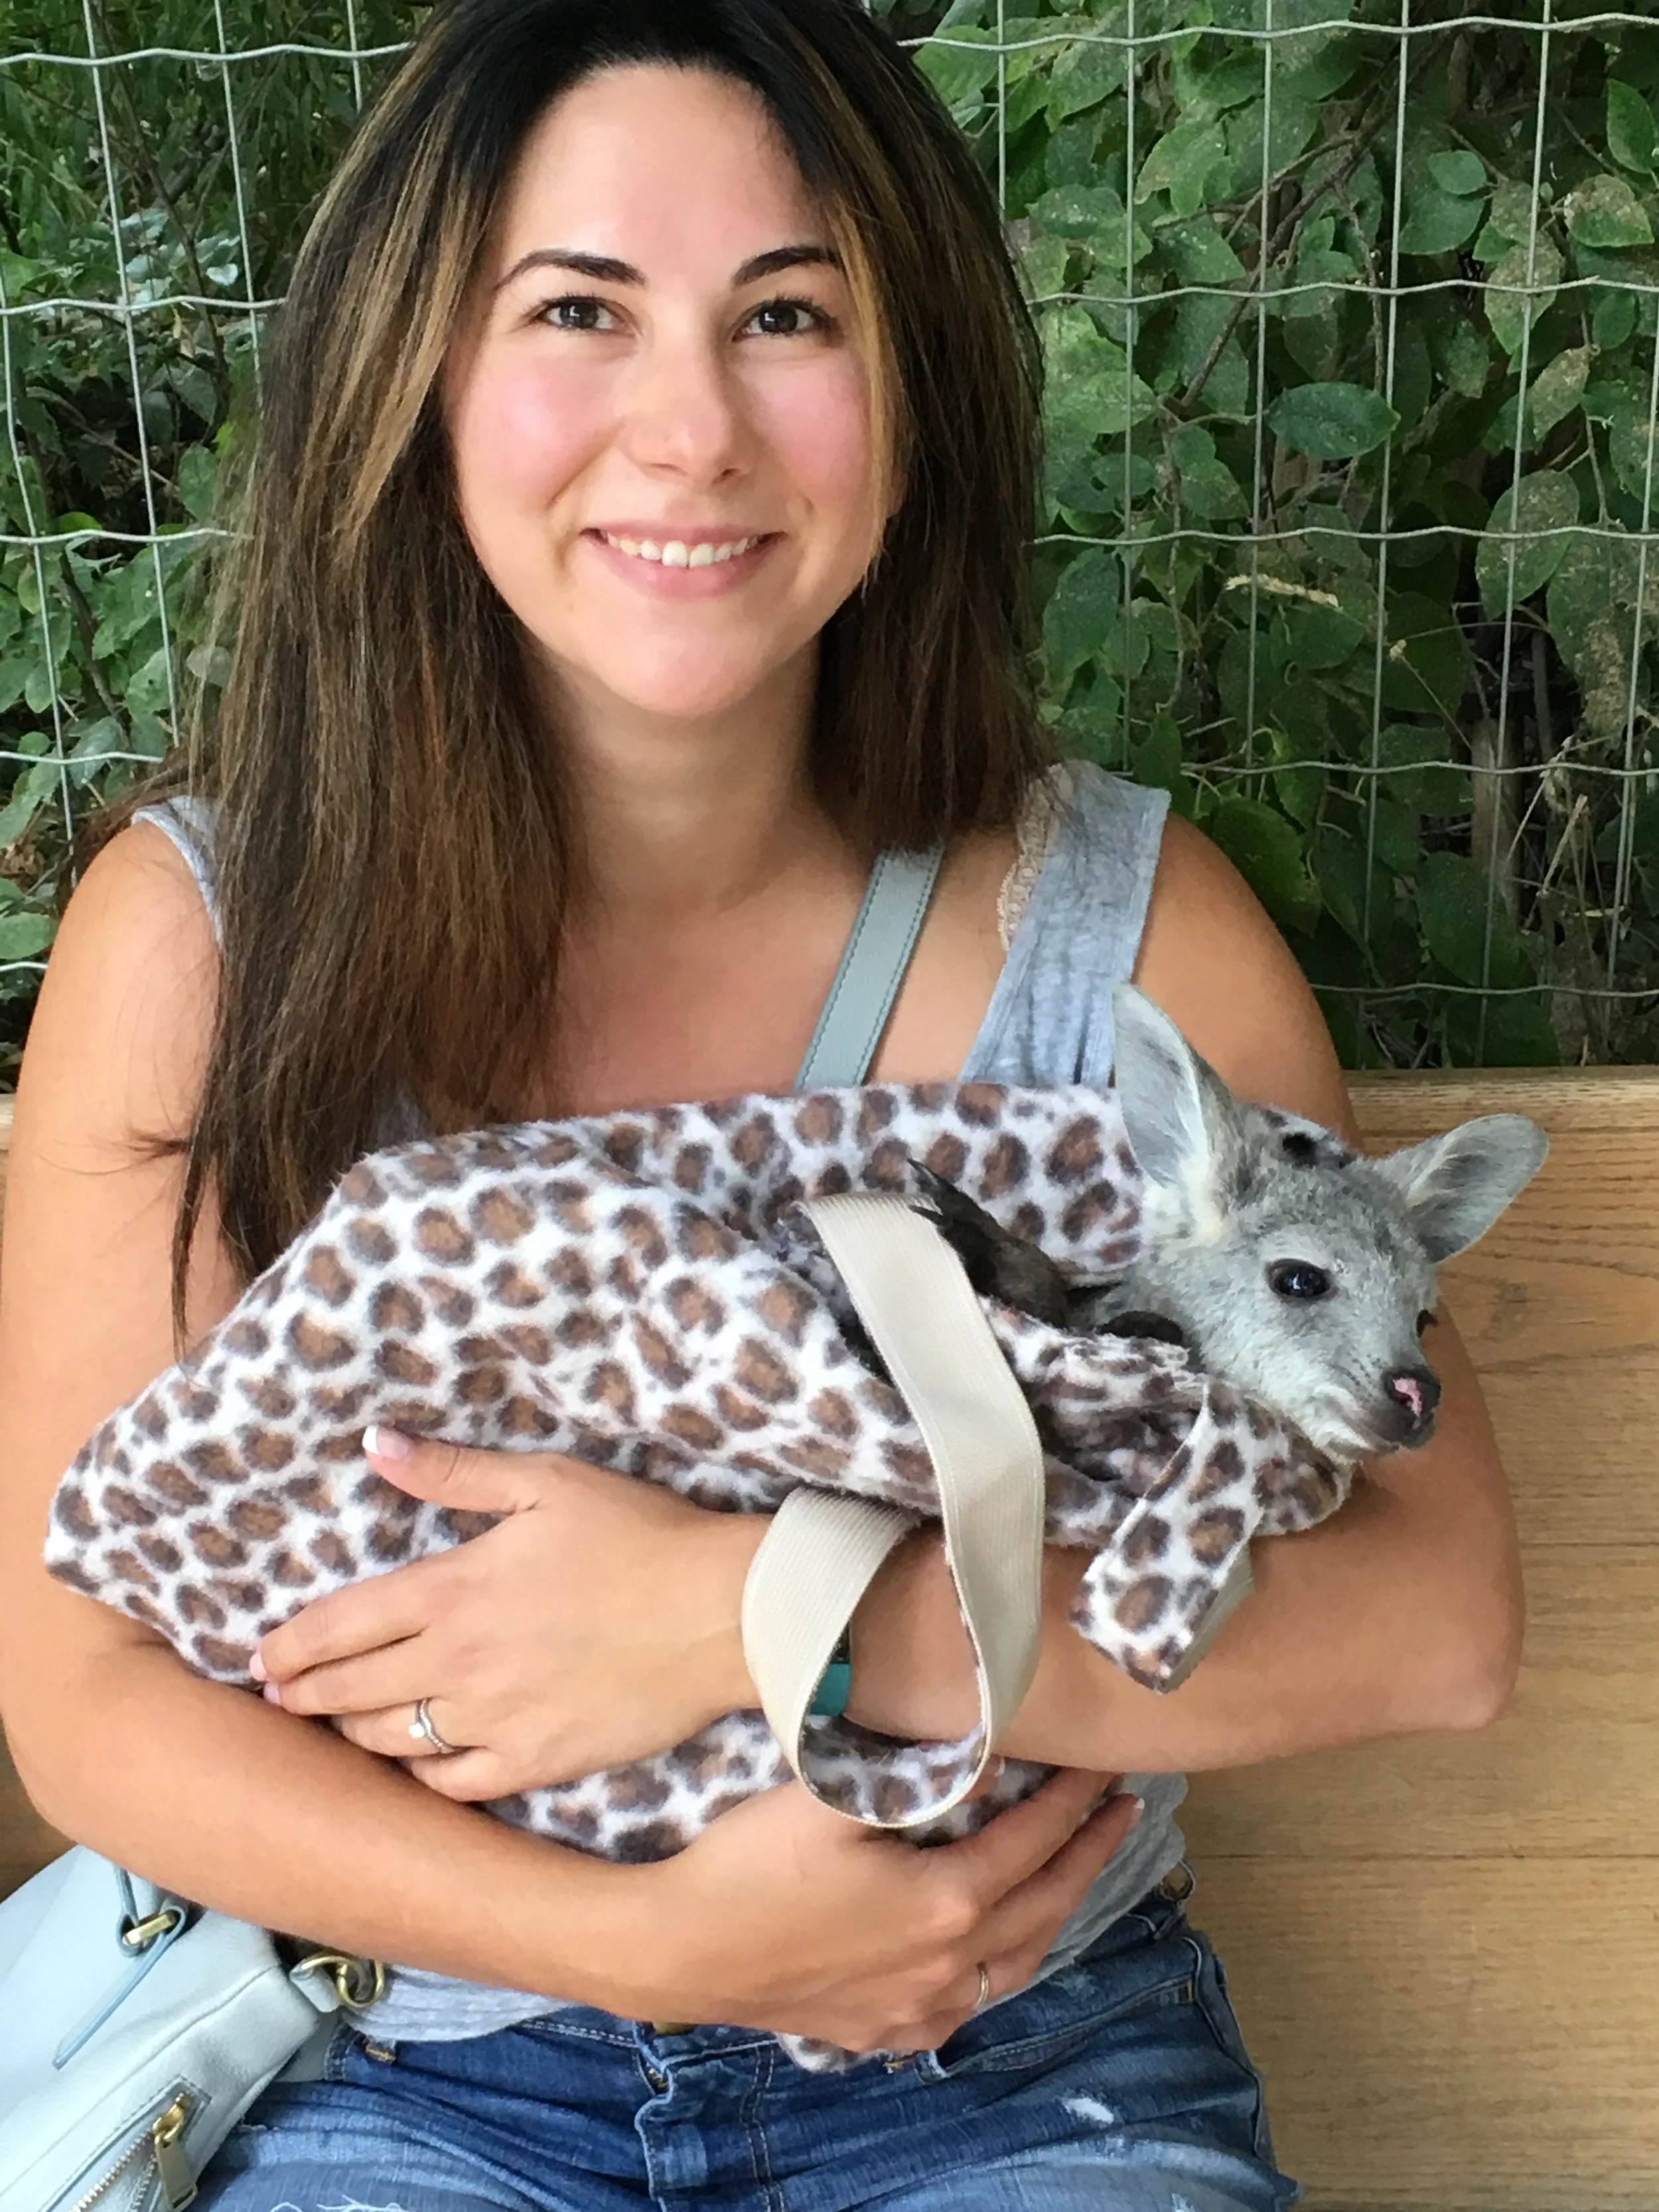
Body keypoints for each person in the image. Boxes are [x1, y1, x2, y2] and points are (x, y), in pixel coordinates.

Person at [0, 1, 1523, 2205]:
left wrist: (750, 1611)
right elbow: (85, 1695)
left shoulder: (1117, 938)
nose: (689, 426)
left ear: (910, 403)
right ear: (417, 388)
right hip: (411, 2060)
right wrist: (647, 1944)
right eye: (578, 312)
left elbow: (1434, 1616)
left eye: (784, 313)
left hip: (1017, 2044)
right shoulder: (205, 946)